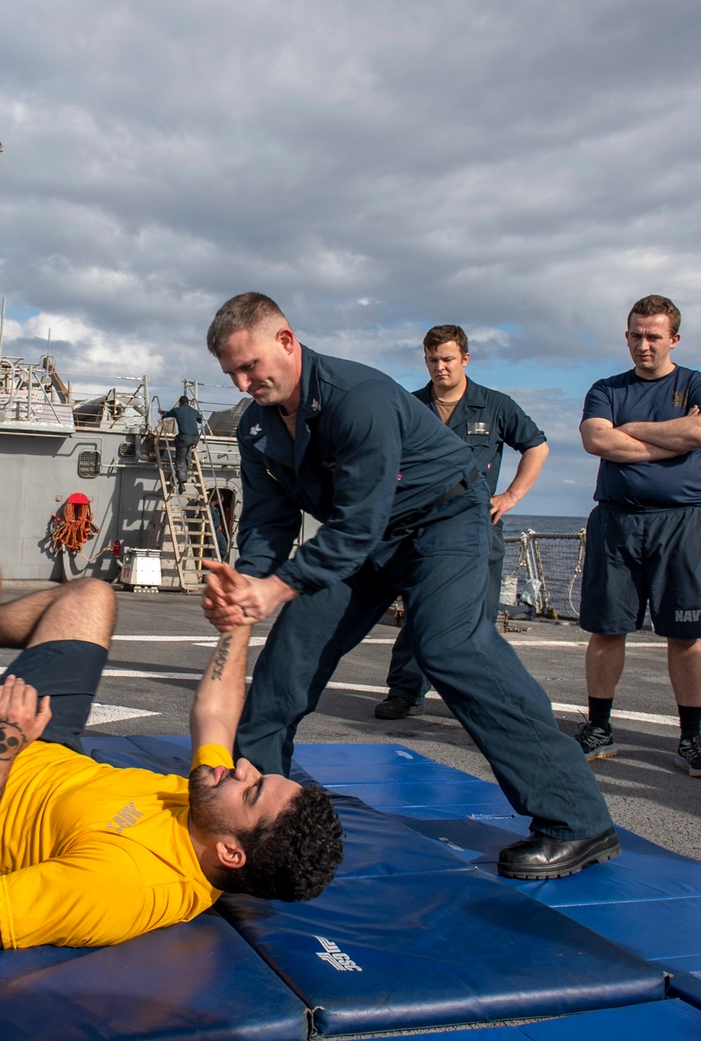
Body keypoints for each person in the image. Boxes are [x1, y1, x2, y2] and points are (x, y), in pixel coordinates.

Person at [0, 402, 343, 949]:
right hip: (42, 745)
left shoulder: (128, 884)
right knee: (90, 596)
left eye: (253, 788)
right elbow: (218, 714)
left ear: (231, 855)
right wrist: (239, 619)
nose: (243, 767)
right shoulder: (210, 807)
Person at [203, 292, 619, 881]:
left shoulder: (358, 400)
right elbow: (269, 520)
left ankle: (577, 819)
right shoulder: (257, 428)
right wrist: (246, 580)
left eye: (250, 366)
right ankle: (252, 814)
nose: (244, 382)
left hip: (442, 519)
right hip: (366, 540)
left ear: (287, 342)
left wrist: (280, 586)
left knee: (451, 646)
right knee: (289, 656)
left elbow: (358, 522)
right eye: (232, 374)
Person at [375, 324, 549, 720]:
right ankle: (405, 691)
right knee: (419, 610)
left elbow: (536, 446)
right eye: (433, 360)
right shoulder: (410, 404)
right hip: (423, 525)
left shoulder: (495, 405)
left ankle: (478, 700)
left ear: (465, 359)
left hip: (477, 526)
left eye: (448, 359)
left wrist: (511, 496)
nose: (440, 367)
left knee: (479, 617)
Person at [576, 295, 701, 776]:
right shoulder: (606, 387)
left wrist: (634, 431)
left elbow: (698, 435)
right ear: (626, 336)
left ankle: (691, 737)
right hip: (617, 521)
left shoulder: (694, 382)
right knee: (606, 629)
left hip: (682, 522)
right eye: (635, 334)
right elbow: (596, 440)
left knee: (686, 634)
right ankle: (599, 727)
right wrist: (670, 441)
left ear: (674, 338)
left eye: (653, 335)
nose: (643, 344)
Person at [161, 395, 203, 493]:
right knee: (187, 452)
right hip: (194, 438)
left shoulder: (177, 410)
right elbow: (200, 420)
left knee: (180, 459)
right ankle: (188, 467)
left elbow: (167, 414)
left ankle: (181, 483)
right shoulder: (194, 411)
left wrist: (161, 411)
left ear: (179, 403)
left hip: (184, 438)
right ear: (188, 403)